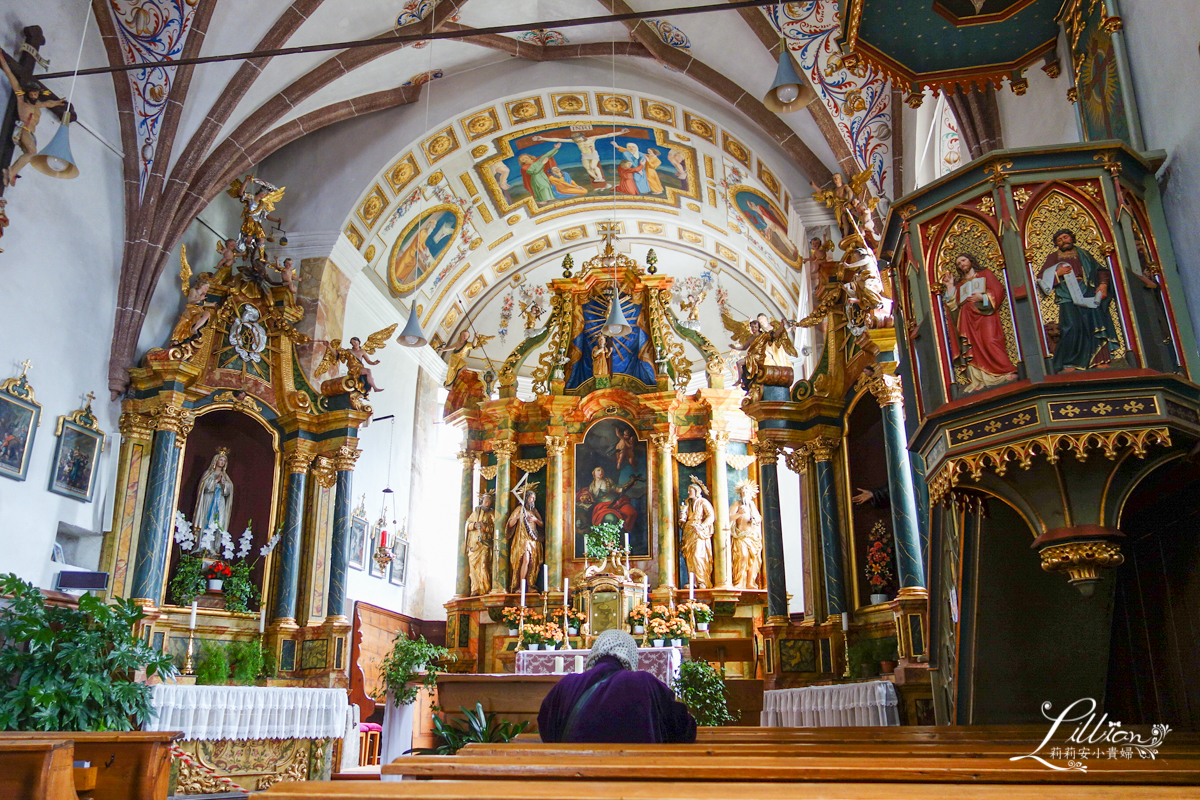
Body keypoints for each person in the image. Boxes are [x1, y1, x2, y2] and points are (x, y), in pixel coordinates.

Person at [537, 629, 697, 743]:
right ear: (630, 655)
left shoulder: (566, 685)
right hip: (639, 784)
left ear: (595, 652)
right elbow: (683, 729)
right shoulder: (645, 682)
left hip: (573, 782)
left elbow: (546, 731)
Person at [1037, 228, 1119, 371]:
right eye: (1059, 240)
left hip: (1087, 291)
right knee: (1071, 327)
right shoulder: (1053, 257)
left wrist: (1103, 285)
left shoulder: (1084, 254)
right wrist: (1057, 273)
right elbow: (1041, 277)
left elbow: (1100, 270)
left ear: (1072, 238)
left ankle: (1099, 358)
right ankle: (1070, 361)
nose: (1063, 241)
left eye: (1065, 237)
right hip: (1067, 295)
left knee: (1095, 324)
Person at [941, 253, 1018, 392]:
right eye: (958, 263)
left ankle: (1004, 371)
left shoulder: (985, 274)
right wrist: (950, 286)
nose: (961, 264)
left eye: (963, 260)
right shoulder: (960, 285)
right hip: (967, 319)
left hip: (985, 315)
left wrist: (982, 297)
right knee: (972, 347)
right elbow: (953, 307)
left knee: (990, 340)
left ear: (970, 260)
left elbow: (998, 291)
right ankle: (979, 379)